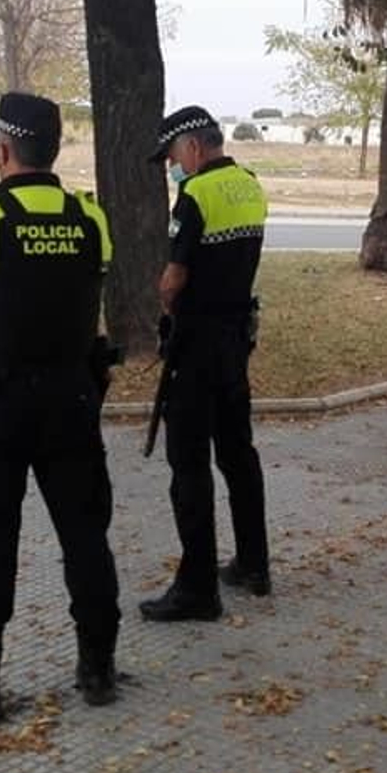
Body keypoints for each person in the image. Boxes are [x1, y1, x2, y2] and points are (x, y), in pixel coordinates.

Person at [0, 91, 121, 723]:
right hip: (72, 400)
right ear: (53, 149)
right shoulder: (91, 218)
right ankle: (98, 670)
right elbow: (91, 277)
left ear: (3, 150)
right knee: (86, 536)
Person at [138, 105, 271, 624]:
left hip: (195, 346)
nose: (174, 166)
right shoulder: (250, 184)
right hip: (237, 340)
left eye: (173, 156)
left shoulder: (194, 195)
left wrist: (165, 302)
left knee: (189, 464)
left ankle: (197, 589)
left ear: (192, 147)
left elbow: (175, 277)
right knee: (238, 453)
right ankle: (254, 565)